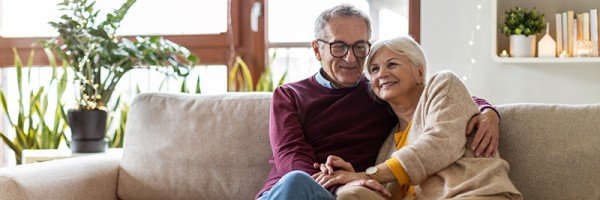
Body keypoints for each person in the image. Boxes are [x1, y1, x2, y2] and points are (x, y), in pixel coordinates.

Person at [256, 4, 502, 200]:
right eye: (339, 46)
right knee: (297, 181)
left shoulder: (379, 91)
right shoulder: (289, 95)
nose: (351, 58)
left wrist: (487, 111)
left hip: (350, 193)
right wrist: (340, 183)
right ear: (317, 50)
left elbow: (441, 97)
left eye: (359, 46)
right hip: (294, 191)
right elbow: (291, 156)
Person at [313, 36, 522, 199]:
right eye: (374, 69)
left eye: (392, 64)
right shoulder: (388, 145)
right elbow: (389, 189)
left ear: (419, 72)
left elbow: (439, 144)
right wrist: (356, 179)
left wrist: (367, 174)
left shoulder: (442, 85)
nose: (382, 74)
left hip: (472, 193)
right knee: (349, 193)